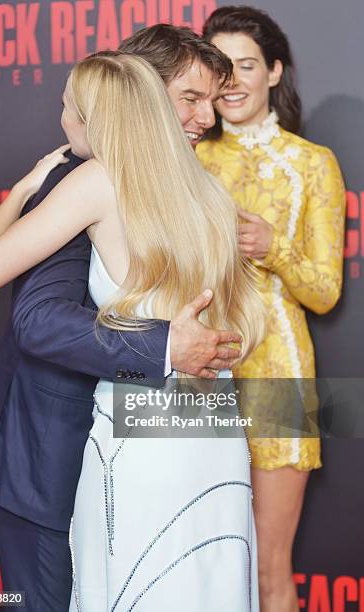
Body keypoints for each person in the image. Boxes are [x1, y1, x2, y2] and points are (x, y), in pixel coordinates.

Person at [0, 52, 264, 610]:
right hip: (210, 422)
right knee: (204, 579)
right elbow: (240, 322)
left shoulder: (93, 181)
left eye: (66, 107)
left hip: (134, 429)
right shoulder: (206, 189)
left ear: (97, 113)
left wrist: (20, 194)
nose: (61, 119)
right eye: (191, 100)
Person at [197, 6, 346, 611]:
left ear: (275, 72)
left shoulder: (313, 164)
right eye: (219, 67)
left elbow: (325, 292)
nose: (231, 80)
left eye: (246, 65)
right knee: (201, 566)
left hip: (279, 378)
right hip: (196, 372)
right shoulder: (188, 161)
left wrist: (275, 248)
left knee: (266, 570)